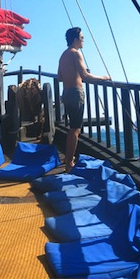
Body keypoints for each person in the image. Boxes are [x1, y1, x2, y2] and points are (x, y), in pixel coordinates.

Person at [57, 27, 111, 171]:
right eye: (82, 37)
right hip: (76, 93)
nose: (83, 40)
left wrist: (75, 73)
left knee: (72, 128)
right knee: (75, 129)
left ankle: (68, 159)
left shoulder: (63, 55)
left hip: (66, 93)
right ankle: (69, 163)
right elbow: (85, 76)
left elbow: (60, 77)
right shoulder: (76, 54)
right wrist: (103, 78)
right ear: (75, 40)